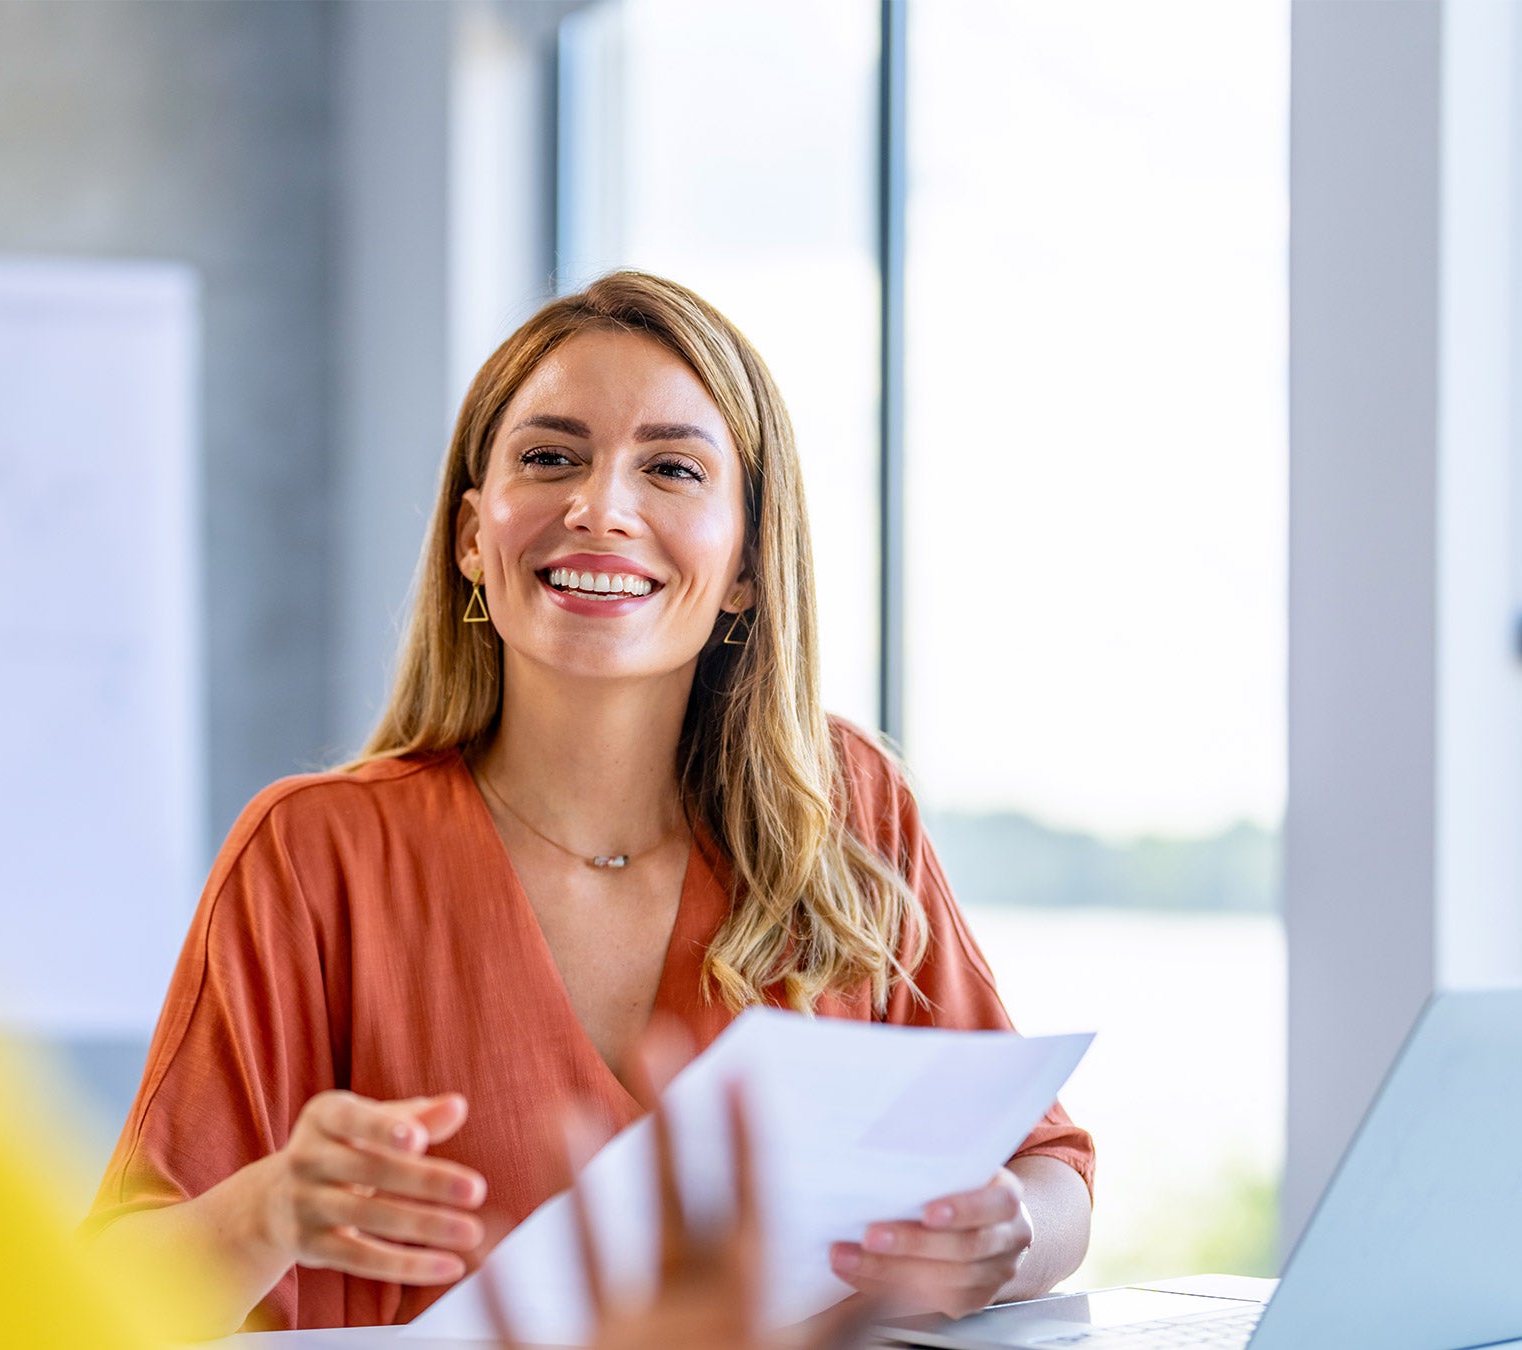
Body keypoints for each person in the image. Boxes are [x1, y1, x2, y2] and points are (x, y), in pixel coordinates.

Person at [85, 271, 1094, 1338]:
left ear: (747, 560)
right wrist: (268, 1211)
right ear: (474, 537)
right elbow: (88, 1303)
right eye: (550, 458)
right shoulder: (313, 854)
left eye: (671, 469)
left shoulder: (840, 810)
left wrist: (1007, 1233)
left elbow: (1049, 1170)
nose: (601, 508)